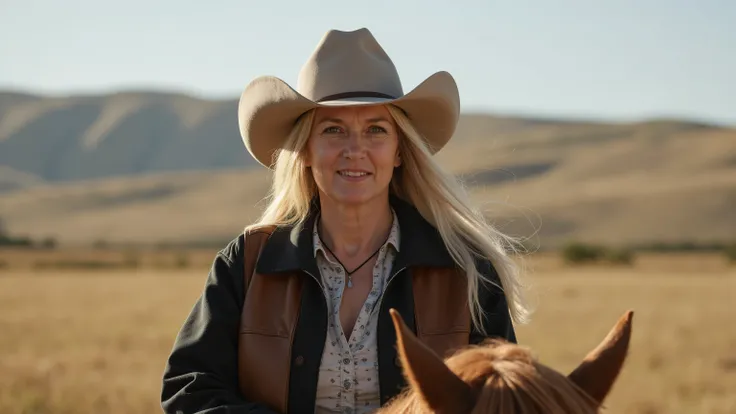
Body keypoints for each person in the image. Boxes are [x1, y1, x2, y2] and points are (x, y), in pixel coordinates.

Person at [161, 28, 531, 414]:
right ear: (305, 150)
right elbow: (190, 391)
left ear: (399, 151)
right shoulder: (247, 263)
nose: (355, 150)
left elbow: (504, 401)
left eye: (376, 130)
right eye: (333, 130)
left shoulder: (465, 268)